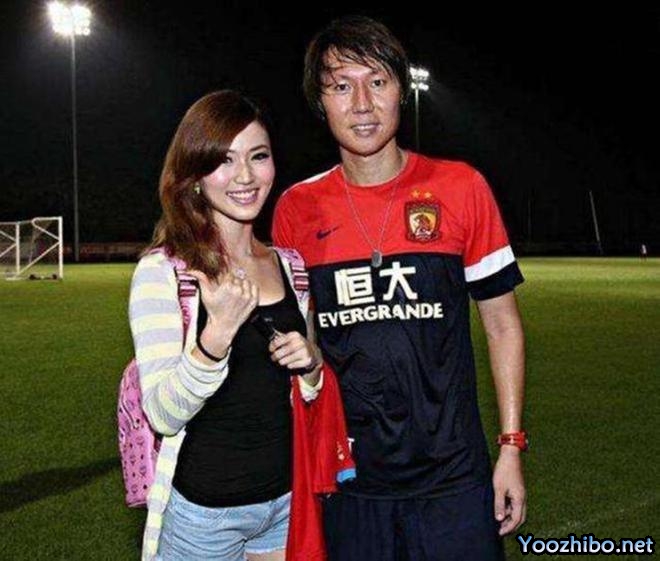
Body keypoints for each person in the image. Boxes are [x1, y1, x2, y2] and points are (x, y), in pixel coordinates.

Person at [272, 15, 527, 561]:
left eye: (378, 81)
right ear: (321, 102)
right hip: (350, 480)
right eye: (342, 86)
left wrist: (510, 447)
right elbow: (302, 346)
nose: (362, 104)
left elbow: (503, 325)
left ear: (402, 90)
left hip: (454, 476)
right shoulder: (297, 209)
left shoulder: (461, 187)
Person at [129, 90, 324, 561]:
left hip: (285, 503)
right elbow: (162, 414)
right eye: (224, 160)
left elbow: (307, 391)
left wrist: (311, 365)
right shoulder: (164, 272)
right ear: (195, 176)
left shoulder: (292, 266)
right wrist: (215, 337)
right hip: (204, 517)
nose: (245, 176)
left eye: (258, 156)